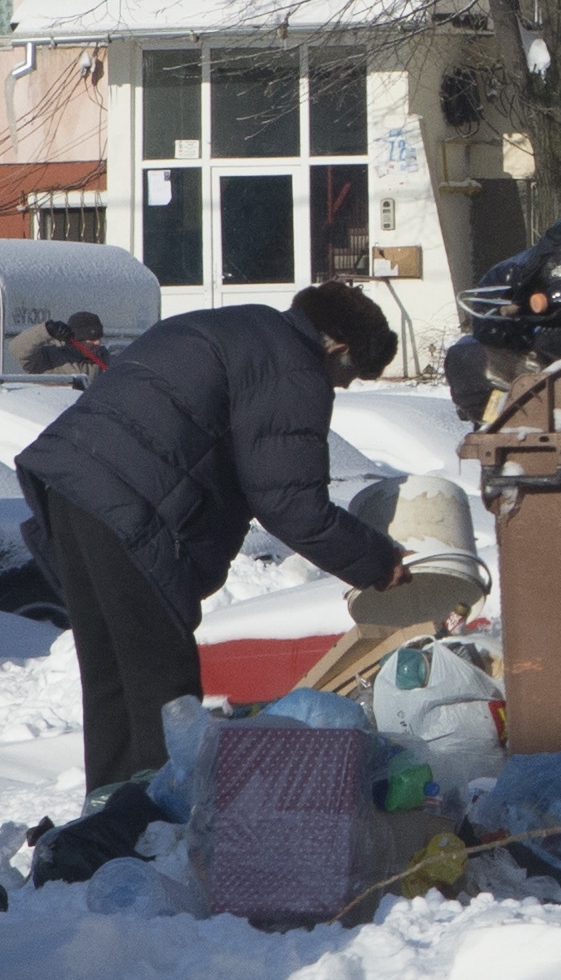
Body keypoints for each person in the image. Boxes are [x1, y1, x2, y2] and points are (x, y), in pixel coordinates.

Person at [16, 282, 412, 793]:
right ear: (337, 346)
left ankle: (112, 827)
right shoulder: (292, 365)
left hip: (70, 484)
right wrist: (380, 562)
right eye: (349, 375)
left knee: (112, 677)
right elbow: (289, 503)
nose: (340, 387)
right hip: (129, 504)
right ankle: (163, 831)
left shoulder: (239, 325)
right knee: (165, 690)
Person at [8, 310, 109, 376]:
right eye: (92, 339)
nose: (98, 343)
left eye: (99, 338)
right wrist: (46, 330)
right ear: (77, 339)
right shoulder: (49, 358)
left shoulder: (105, 359)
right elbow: (16, 348)